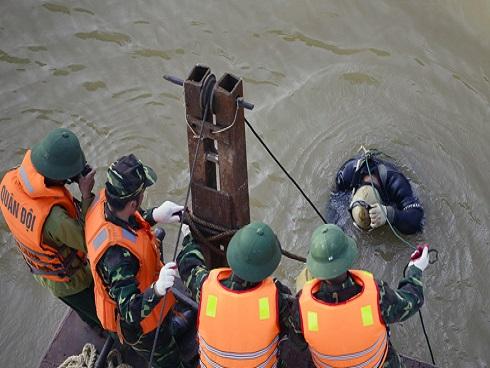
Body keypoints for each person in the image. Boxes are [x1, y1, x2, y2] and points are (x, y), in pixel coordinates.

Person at [84, 154, 195, 368]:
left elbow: (128, 222)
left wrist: (153, 216)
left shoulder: (106, 202)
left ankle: (170, 326)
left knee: (165, 325)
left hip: (153, 307)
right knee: (166, 358)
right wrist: (158, 289)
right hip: (142, 327)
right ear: (133, 201)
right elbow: (130, 312)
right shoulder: (116, 258)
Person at [0, 128, 100, 328]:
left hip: (43, 272)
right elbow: (87, 240)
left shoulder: (10, 180)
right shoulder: (55, 219)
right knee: (99, 314)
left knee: (84, 313)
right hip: (70, 281)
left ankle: (93, 326)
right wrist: (86, 195)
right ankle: (108, 332)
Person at [293, 224, 430, 367]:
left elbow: (298, 341)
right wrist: (415, 270)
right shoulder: (377, 294)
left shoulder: (301, 305)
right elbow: (412, 302)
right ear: (348, 256)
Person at [177, 222, 294, 368]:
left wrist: (189, 238)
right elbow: (294, 326)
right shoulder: (277, 299)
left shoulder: (206, 288)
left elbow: (188, 265)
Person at [333, 149, 423, 234]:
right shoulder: (345, 176)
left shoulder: (396, 182)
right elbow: (333, 207)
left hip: (385, 163)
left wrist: (390, 214)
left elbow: (417, 220)